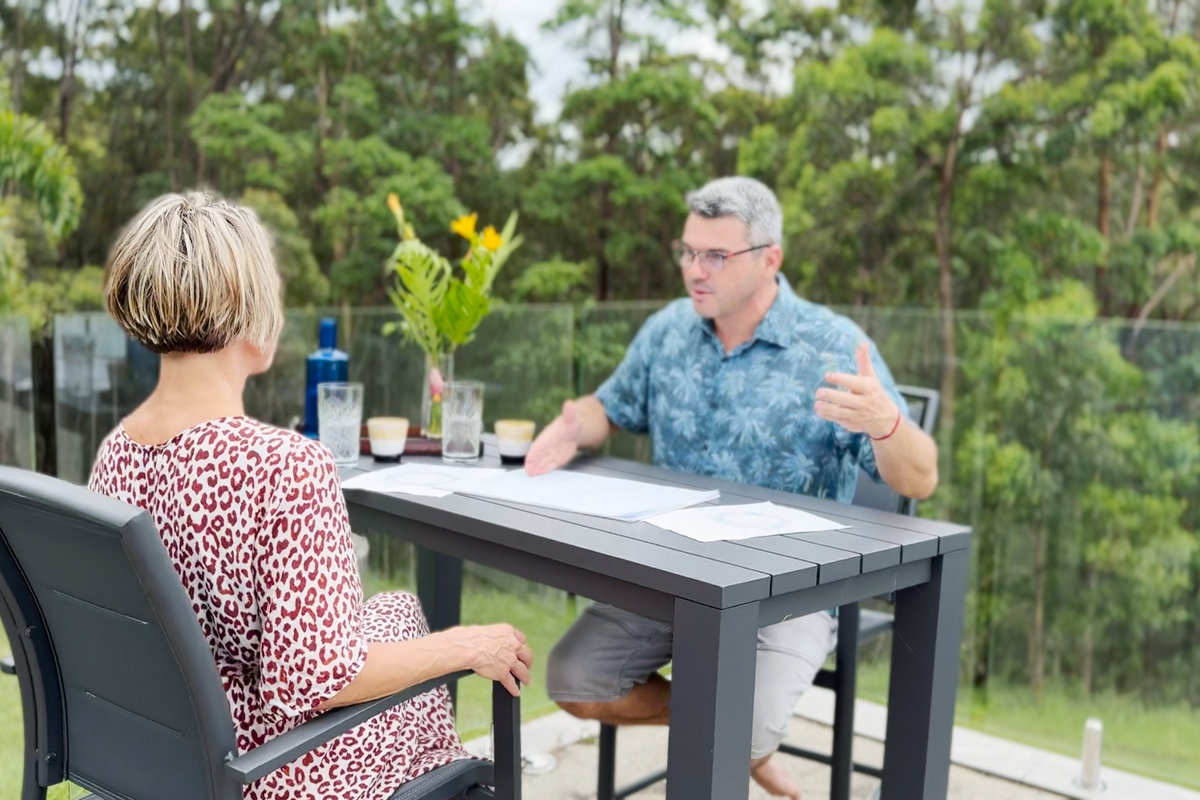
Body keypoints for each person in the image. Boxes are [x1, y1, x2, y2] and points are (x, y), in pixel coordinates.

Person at [88, 191, 533, 800]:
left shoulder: (117, 454)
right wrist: (469, 644)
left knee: (398, 610)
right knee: (446, 657)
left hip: (169, 754)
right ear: (244, 304)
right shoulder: (286, 466)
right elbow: (315, 680)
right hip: (263, 772)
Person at [525, 176, 938, 799]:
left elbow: (921, 477)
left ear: (769, 257)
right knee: (573, 679)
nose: (696, 270)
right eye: (688, 251)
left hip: (791, 595)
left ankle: (742, 741)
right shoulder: (668, 331)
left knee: (724, 740)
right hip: (670, 575)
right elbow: (609, 407)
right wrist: (574, 423)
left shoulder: (832, 345)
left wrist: (887, 425)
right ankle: (749, 742)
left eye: (716, 255)